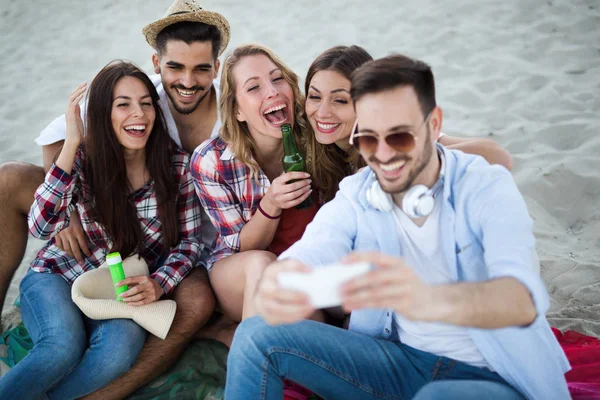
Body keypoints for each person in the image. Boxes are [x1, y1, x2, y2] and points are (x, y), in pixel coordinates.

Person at [225, 54, 570, 400]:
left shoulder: (484, 186)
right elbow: (311, 253)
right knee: (256, 334)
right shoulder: (359, 190)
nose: (385, 155)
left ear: (434, 125)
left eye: (400, 136)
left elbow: (522, 301)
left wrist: (427, 300)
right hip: (395, 362)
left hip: (490, 373)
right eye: (370, 139)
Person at [0, 1, 230, 399]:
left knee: (118, 349)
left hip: (118, 282)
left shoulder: (179, 163)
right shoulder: (93, 151)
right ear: (158, 63)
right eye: (123, 106)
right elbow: (40, 222)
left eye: (144, 105)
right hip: (61, 270)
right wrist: (72, 157)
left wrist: (159, 282)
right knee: (59, 348)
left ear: (217, 67)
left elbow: (190, 242)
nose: (138, 112)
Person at [191, 44, 318, 323]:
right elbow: (242, 246)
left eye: (277, 79)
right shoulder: (212, 161)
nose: (272, 91)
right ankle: (248, 355)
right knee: (263, 265)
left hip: (302, 267)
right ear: (237, 111)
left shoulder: (315, 138)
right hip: (239, 271)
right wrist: (271, 203)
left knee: (314, 316)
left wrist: (437, 142)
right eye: (253, 87)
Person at [303, 45, 512, 203]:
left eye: (340, 100)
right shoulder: (311, 148)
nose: (322, 112)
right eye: (314, 96)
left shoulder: (396, 136)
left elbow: (497, 156)